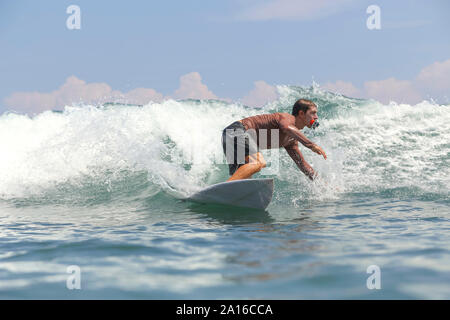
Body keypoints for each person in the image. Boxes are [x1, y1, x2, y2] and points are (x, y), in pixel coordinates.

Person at [222, 99, 327, 182]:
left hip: (232, 134)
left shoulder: (291, 140)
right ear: (301, 113)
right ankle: (223, 189)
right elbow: (286, 127)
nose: (316, 117)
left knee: (242, 180)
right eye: (313, 113)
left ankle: (224, 194)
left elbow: (303, 165)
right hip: (237, 130)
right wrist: (311, 145)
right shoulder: (287, 118)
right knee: (258, 163)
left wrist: (322, 184)